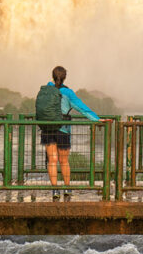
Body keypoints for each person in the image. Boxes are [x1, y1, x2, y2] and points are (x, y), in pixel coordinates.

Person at [37, 66, 100, 201]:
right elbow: (82, 108)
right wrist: (97, 119)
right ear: (65, 77)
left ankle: (54, 190)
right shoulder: (68, 93)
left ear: (53, 77)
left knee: (52, 161)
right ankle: (67, 188)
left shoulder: (46, 90)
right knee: (63, 161)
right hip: (63, 129)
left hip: (47, 128)